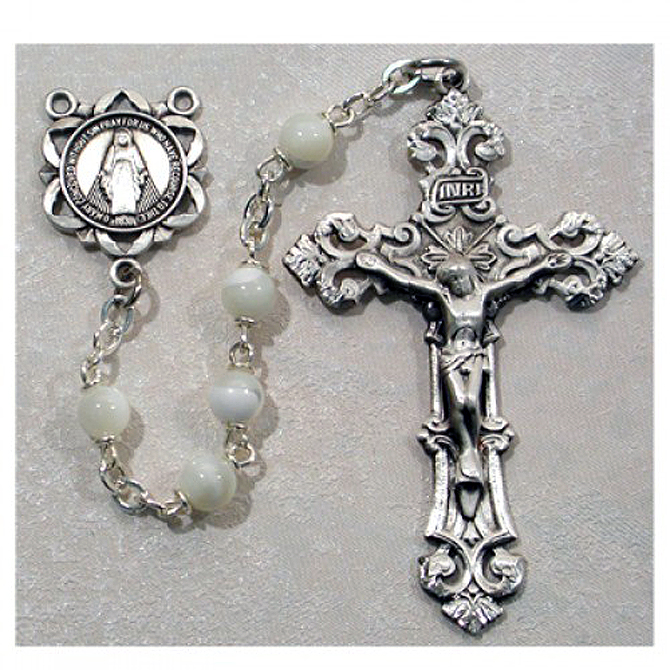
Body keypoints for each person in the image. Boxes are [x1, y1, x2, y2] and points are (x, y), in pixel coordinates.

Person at [356, 248, 570, 518]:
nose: (456, 285)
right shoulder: (444, 298)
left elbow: (516, 280)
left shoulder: (483, 294)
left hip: (476, 355)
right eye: (451, 281)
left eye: (458, 279)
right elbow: (409, 282)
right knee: (459, 402)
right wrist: (379, 267)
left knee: (472, 403)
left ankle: (471, 455)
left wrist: (544, 265)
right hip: (451, 356)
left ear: (469, 275)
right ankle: (467, 451)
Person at [99, 128, 147, 215]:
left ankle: (130, 209)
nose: (122, 139)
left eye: (124, 137)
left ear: (128, 138)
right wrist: (105, 172)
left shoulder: (133, 149)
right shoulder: (113, 149)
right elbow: (108, 163)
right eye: (120, 137)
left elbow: (139, 163)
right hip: (116, 173)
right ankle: (117, 209)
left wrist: (142, 172)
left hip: (129, 173)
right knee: (118, 190)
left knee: (128, 190)